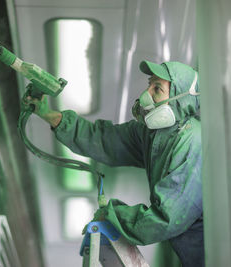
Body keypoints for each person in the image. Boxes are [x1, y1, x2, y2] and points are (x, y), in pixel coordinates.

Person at [27, 60, 204, 267]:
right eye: (149, 85)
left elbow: (166, 218)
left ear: (180, 100)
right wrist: (49, 115)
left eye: (157, 89)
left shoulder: (191, 144)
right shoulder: (153, 134)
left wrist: (111, 215)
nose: (146, 94)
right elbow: (105, 139)